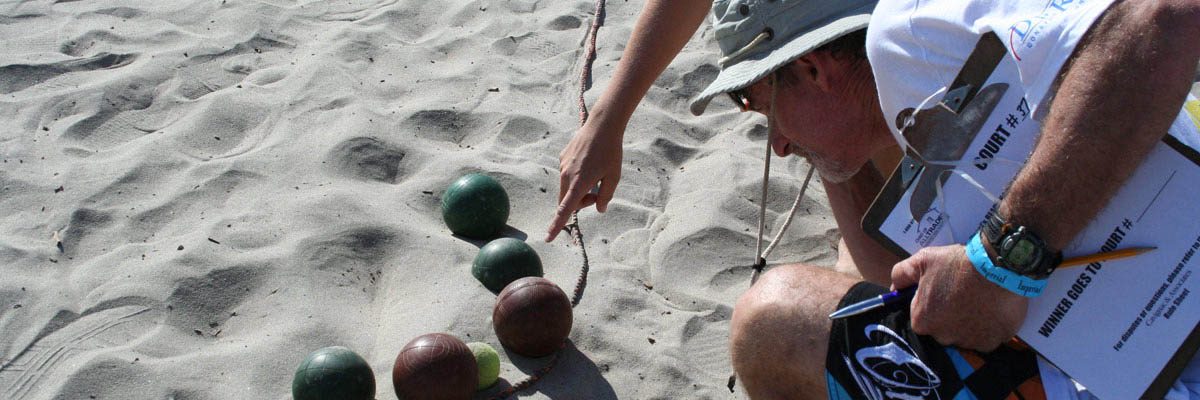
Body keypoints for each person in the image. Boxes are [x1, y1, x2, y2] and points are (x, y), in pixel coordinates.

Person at [550, 0, 1200, 398]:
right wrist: (830, 146)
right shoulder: (914, 111)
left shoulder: (904, 42)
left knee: (770, 323)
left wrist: (1005, 258)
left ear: (813, 69)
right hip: (1130, 351)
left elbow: (1165, 20)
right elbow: (882, 279)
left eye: (756, 106)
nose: (775, 145)